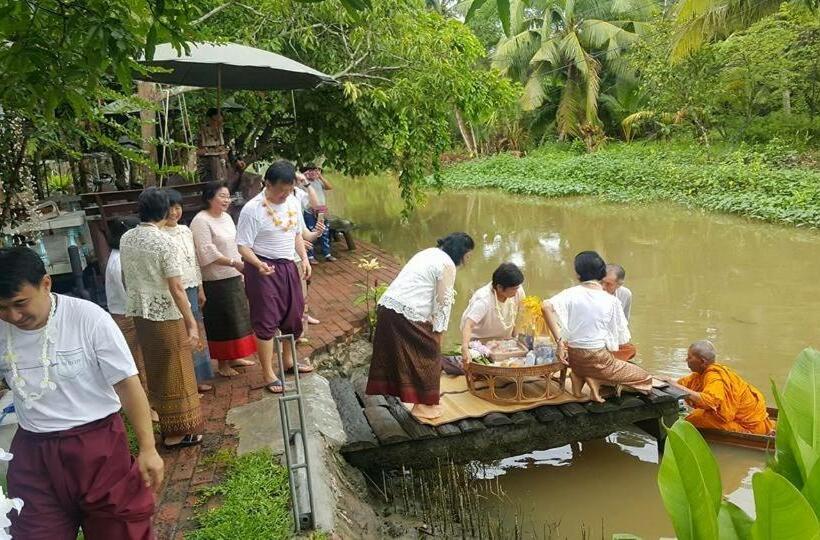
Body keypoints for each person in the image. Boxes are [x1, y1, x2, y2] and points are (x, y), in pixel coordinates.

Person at [0, 247, 161, 539]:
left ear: (46, 284)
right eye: (1, 308)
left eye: (20, 303)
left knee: (120, 530)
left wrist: (148, 448)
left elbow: (127, 383)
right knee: (34, 532)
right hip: (34, 452)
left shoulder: (89, 318)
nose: (12, 315)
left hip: (98, 447)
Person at [120, 187, 204, 448]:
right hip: (165, 313)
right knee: (176, 370)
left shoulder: (127, 238)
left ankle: (168, 429)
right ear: (165, 211)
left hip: (142, 313)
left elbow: (126, 277)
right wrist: (191, 323)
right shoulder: (164, 242)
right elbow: (177, 289)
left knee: (156, 368)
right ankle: (176, 433)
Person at [366, 233, 474, 419]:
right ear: (461, 253)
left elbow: (426, 291)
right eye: (468, 255)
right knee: (430, 352)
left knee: (408, 354)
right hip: (404, 311)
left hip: (388, 307)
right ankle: (424, 405)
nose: (468, 259)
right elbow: (443, 303)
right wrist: (439, 333)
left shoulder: (428, 253)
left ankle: (414, 397)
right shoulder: (447, 264)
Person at [236, 160, 315, 395]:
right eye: (279, 189)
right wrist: (258, 264)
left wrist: (304, 259)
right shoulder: (253, 209)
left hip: (288, 265)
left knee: (293, 314)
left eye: (288, 190)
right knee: (266, 320)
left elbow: (296, 234)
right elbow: (243, 247)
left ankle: (289, 362)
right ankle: (268, 373)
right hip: (262, 269)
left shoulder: (291, 202)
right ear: (266, 183)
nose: (283, 195)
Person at [542, 251, 652, 402]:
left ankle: (581, 375)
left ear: (578, 275)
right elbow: (619, 339)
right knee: (645, 378)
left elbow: (545, 307)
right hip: (597, 358)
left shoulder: (570, 293)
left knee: (596, 358)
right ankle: (596, 379)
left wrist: (560, 343)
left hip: (573, 357)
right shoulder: (610, 301)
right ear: (601, 273)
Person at [190, 181, 258, 378]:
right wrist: (232, 262)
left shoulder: (227, 217)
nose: (226, 200)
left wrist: (239, 263)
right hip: (216, 279)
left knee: (239, 318)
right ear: (209, 197)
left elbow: (236, 242)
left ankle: (236, 356)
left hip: (234, 274)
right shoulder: (201, 221)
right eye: (221, 196)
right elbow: (206, 251)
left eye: (228, 196)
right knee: (221, 320)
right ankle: (222, 363)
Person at [105, 216, 159, 420]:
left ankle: (149, 404)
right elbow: (129, 292)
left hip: (126, 313)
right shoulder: (119, 260)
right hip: (127, 317)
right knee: (136, 363)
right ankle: (145, 407)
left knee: (139, 361)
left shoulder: (118, 256)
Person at [662, 340, 775, 434]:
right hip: (750, 418)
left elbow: (710, 401)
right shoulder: (702, 373)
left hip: (749, 427)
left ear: (702, 361)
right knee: (696, 415)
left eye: (689, 357)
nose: (686, 360)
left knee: (692, 420)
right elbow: (682, 384)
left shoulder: (714, 376)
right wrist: (664, 381)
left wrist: (676, 386)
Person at [163, 189, 215, 392]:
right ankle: (185, 380)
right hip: (176, 289)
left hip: (192, 286)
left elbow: (194, 261)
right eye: (169, 209)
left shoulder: (185, 231)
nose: (174, 213)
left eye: (177, 208)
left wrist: (200, 287)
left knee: (196, 329)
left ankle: (199, 377)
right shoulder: (160, 235)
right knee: (181, 331)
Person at [460, 262, 525, 364]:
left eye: (518, 287)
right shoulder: (484, 300)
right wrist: (465, 348)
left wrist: (516, 339)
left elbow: (521, 314)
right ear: (499, 287)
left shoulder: (518, 290)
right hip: (479, 343)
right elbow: (468, 325)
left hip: (505, 342)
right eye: (514, 289)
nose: (517, 291)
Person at [602, 263, 637, 362]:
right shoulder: (593, 292)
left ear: (619, 285)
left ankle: (608, 360)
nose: (603, 287)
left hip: (612, 338)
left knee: (630, 349)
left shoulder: (625, 294)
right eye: (602, 282)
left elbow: (624, 322)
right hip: (593, 340)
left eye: (609, 284)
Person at [301, 163, 335, 262]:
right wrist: (304, 177)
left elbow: (329, 187)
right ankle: (310, 256)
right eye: (310, 171)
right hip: (309, 212)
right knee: (310, 233)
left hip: (321, 212)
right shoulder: (303, 183)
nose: (313, 173)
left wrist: (320, 176)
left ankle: (327, 254)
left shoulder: (318, 181)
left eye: (315, 170)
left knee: (324, 232)